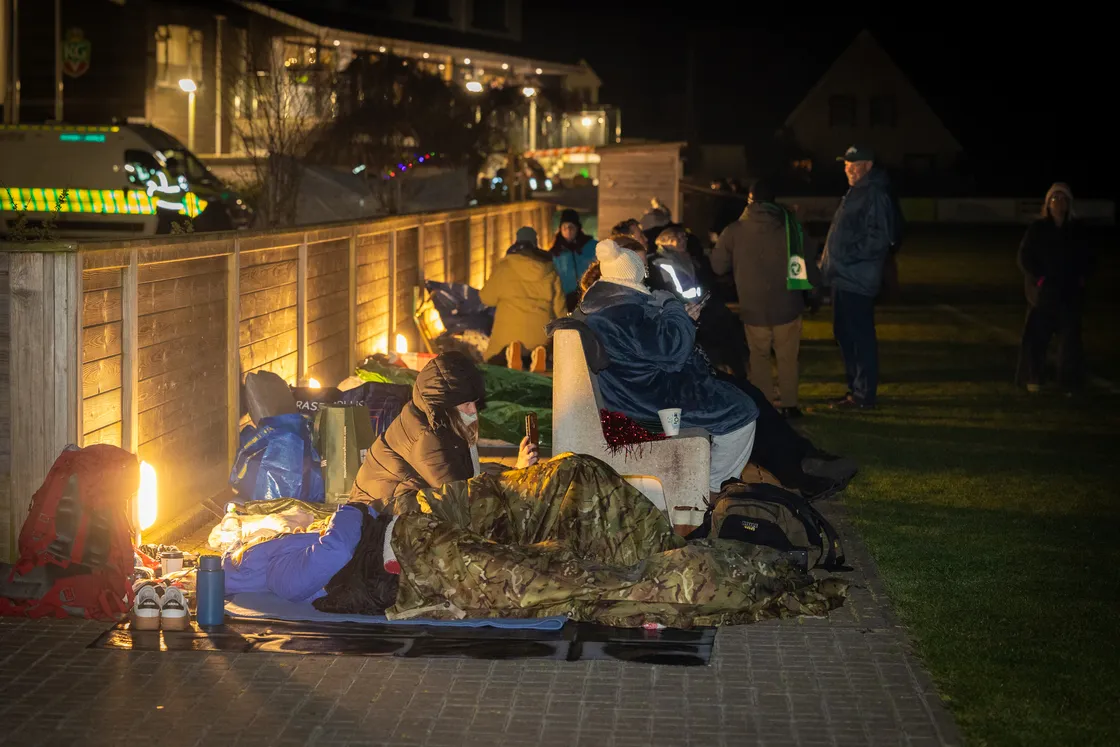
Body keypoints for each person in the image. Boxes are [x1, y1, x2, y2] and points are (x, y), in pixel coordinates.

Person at [576, 238, 759, 498]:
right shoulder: (624, 313)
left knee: (735, 397)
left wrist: (678, 319)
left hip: (637, 391)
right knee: (741, 411)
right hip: (649, 402)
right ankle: (713, 488)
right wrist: (673, 307)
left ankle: (709, 483)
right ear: (633, 275)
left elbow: (654, 346)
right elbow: (673, 353)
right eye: (643, 270)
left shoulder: (609, 307)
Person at [351, 351, 538, 513]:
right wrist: (515, 484)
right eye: (466, 405)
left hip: (388, 503)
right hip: (379, 514)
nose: (473, 410)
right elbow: (462, 501)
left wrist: (516, 471)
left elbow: (470, 474)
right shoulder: (427, 439)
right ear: (445, 406)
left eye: (474, 402)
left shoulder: (435, 418)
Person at [712, 178, 817, 418]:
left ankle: (765, 406)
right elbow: (808, 259)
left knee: (758, 357)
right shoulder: (791, 226)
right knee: (788, 357)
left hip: (753, 305)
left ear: (749, 200)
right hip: (788, 303)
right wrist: (815, 290)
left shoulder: (734, 230)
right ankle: (790, 404)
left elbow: (718, 266)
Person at [819, 145, 898, 410]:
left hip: (856, 278)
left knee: (858, 336)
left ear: (867, 166)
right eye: (846, 165)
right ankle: (855, 391)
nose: (848, 169)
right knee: (845, 334)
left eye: (854, 165)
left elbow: (878, 238)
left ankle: (862, 395)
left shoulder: (874, 193)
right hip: (844, 277)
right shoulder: (858, 192)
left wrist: (844, 258)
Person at [1015, 182, 1091, 394]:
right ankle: (1033, 377)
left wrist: (1082, 278)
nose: (1059, 203)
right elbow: (1024, 257)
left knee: (1070, 341)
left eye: (1063, 199)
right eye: (1055, 199)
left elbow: (1088, 258)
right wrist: (1039, 279)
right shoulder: (1037, 229)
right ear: (1048, 204)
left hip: (1069, 293)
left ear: (1069, 203)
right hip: (1043, 294)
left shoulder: (1077, 230)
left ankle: (1069, 382)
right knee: (1037, 338)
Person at [649, 223, 750, 381]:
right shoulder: (661, 263)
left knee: (725, 326)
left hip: (700, 309)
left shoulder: (689, 259)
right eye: (678, 238)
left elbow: (703, 284)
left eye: (684, 237)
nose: (683, 241)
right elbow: (672, 291)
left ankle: (735, 375)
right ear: (666, 241)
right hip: (685, 313)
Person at [479, 226, 566, 372]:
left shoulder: (504, 267)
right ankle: (538, 354)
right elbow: (560, 311)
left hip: (507, 337)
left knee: (493, 360)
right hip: (541, 334)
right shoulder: (549, 269)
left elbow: (486, 298)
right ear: (535, 243)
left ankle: (512, 355)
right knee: (542, 345)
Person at [550, 208, 597, 311]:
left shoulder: (591, 246)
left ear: (577, 228)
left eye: (571, 226)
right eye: (565, 227)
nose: (568, 230)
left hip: (590, 295)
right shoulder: (555, 252)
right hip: (566, 299)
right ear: (560, 229)